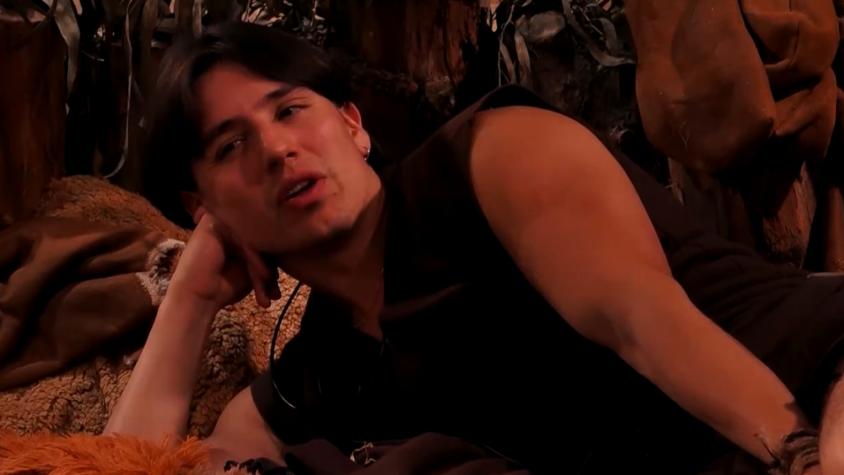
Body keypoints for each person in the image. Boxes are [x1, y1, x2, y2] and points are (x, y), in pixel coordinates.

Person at [103, 21, 844, 474]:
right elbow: (131, 468)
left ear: (354, 127)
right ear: (205, 209)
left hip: (814, 378)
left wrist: (802, 457)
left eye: (291, 110)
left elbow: (642, 321)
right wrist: (191, 297)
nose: (276, 149)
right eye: (232, 146)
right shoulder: (327, 363)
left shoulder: (490, 156)